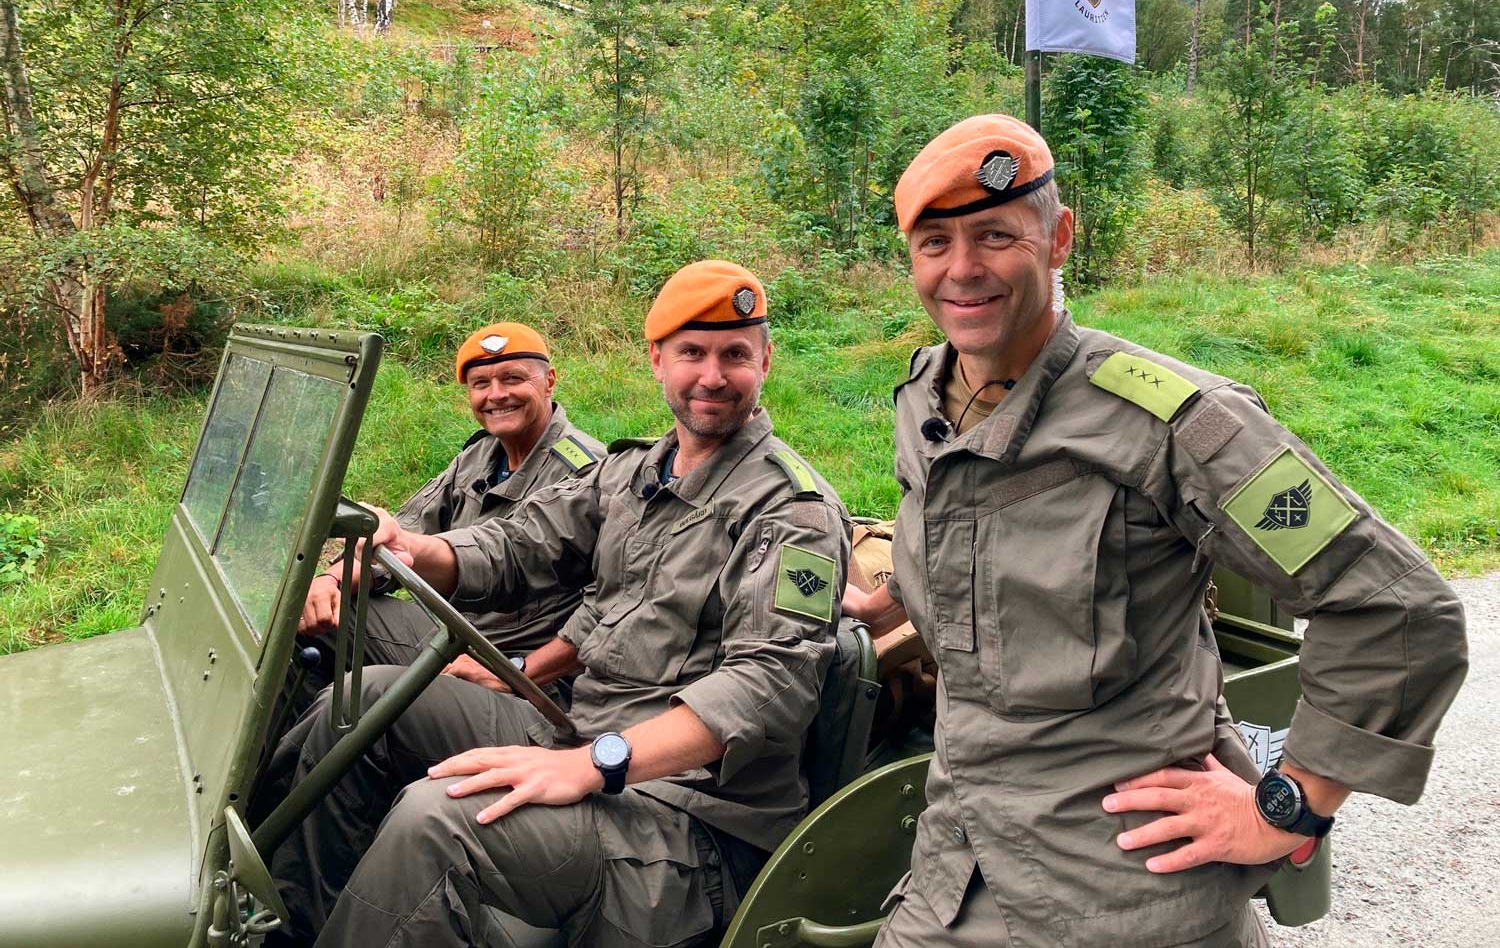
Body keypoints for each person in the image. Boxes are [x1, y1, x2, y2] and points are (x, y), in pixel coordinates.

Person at [840, 114, 1468, 947]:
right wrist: (897, 598)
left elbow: (1399, 609)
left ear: (1059, 238)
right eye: (934, 244)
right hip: (957, 869)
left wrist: (1287, 809)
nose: (962, 269)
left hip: (1126, 891)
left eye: (995, 235)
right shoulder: (928, 393)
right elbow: (977, 537)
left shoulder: (1177, 424)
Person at [262, 260, 851, 948]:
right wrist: (415, 547)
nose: (713, 376)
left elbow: (768, 684)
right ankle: (290, 926)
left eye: (736, 355)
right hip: (576, 730)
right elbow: (518, 543)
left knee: (440, 819)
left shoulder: (792, 510)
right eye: (692, 352)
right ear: (657, 360)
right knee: (361, 706)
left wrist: (593, 762)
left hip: (687, 816)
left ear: (766, 361)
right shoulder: (631, 473)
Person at [297, 321, 602, 696]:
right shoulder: (480, 455)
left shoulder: (588, 473)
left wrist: (518, 672)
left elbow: (611, 609)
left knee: (362, 693)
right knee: (313, 619)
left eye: (512, 379)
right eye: (481, 384)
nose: (496, 395)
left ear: (549, 382)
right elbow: (401, 536)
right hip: (455, 637)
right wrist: (331, 581)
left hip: (523, 672)